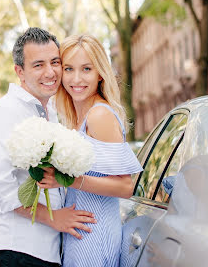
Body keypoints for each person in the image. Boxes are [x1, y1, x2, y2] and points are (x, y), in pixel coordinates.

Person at [0, 28, 97, 267]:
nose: (50, 72)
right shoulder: (4, 112)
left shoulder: (52, 111)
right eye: (38, 65)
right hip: (20, 250)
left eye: (55, 62)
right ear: (19, 71)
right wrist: (53, 218)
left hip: (50, 251)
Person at [38, 34, 143, 267]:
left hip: (96, 234)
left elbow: (126, 187)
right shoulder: (77, 118)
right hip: (78, 232)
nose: (77, 78)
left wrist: (67, 180)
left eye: (86, 69)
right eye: (69, 69)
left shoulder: (99, 115)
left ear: (99, 74)